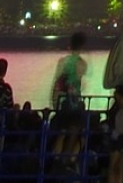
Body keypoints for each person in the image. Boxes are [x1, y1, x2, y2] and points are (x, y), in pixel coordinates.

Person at [51, 33, 87, 163]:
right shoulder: (82, 63)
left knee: (62, 132)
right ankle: (68, 160)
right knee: (75, 132)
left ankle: (56, 160)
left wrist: (54, 102)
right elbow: (80, 81)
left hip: (63, 101)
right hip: (75, 102)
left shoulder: (63, 62)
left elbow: (57, 83)